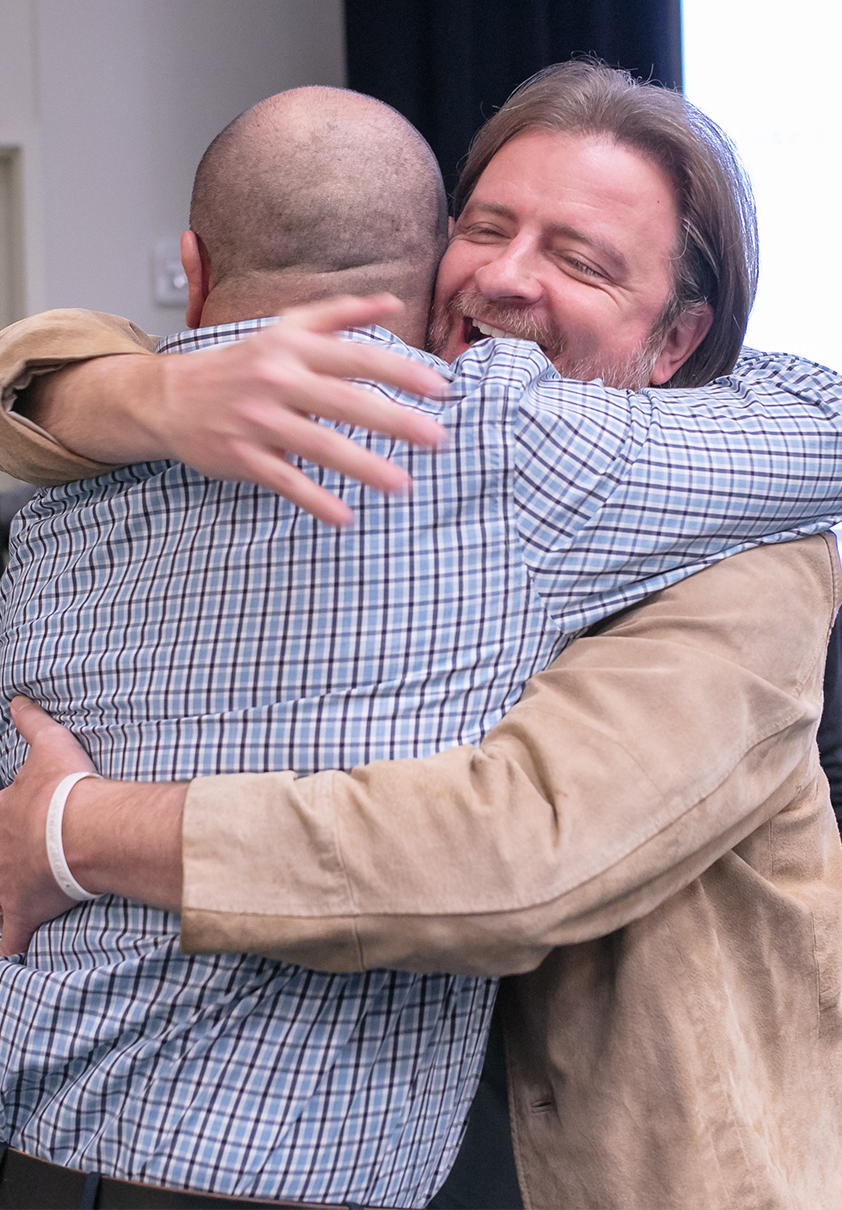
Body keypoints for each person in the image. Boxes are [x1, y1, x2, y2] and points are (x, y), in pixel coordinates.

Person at [1, 63, 842, 1208]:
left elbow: (506, 855)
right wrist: (123, 393)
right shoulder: (262, 456)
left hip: (613, 1163)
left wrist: (74, 828)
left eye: (577, 260)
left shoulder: (749, 559)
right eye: (484, 228)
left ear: (676, 339)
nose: (503, 277)